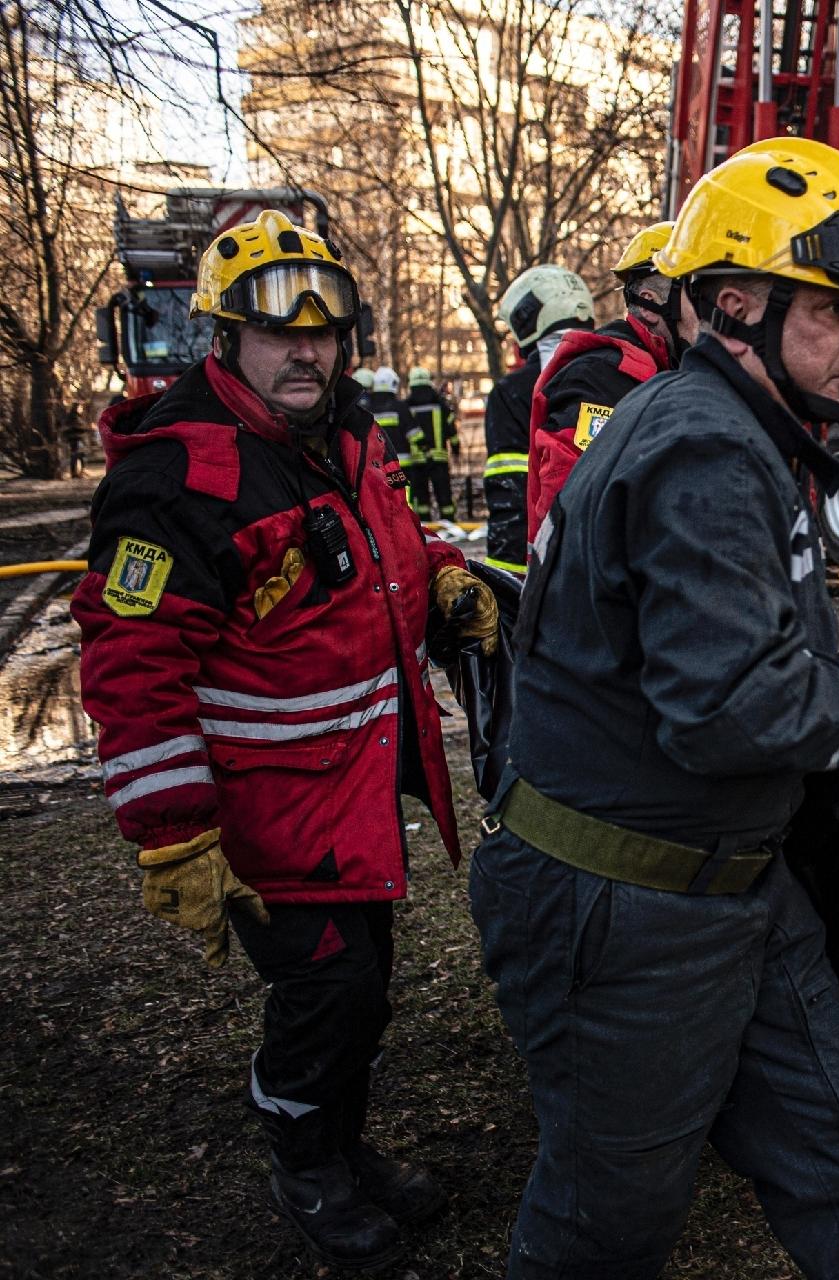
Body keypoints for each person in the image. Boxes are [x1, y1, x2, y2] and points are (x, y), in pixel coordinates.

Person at [467, 137, 839, 1280]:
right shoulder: (701, 445)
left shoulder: (739, 432)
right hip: (624, 909)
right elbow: (734, 710)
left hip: (730, 883)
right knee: (608, 1220)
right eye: (838, 307)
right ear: (735, 302)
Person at [70, 209, 500, 1272]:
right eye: (276, 328)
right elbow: (133, 665)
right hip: (267, 807)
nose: (305, 348)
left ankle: (342, 1141)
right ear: (226, 338)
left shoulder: (343, 437)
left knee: (364, 982)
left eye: (324, 328)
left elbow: (384, 539)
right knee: (329, 991)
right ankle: (303, 1152)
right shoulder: (184, 477)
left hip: (347, 795)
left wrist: (440, 570)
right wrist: (171, 833)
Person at [522, 220, 700, 549]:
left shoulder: (667, 373)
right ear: (651, 304)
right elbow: (570, 515)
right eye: (699, 295)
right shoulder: (599, 380)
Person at [483, 265, 593, 574]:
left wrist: (504, 581)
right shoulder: (619, 375)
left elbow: (510, 490)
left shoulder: (513, 392)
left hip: (541, 566)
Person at [404, 365, 460, 521]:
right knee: (444, 494)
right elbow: (451, 429)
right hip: (439, 458)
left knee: (421, 496)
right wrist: (456, 449)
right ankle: (449, 523)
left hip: (416, 459)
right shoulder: (440, 403)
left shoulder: (407, 405)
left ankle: (425, 526)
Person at [364, 365, 412, 498]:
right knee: (402, 498)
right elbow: (414, 434)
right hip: (402, 464)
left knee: (380, 498)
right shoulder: (400, 407)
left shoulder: (367, 409)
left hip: (375, 467)